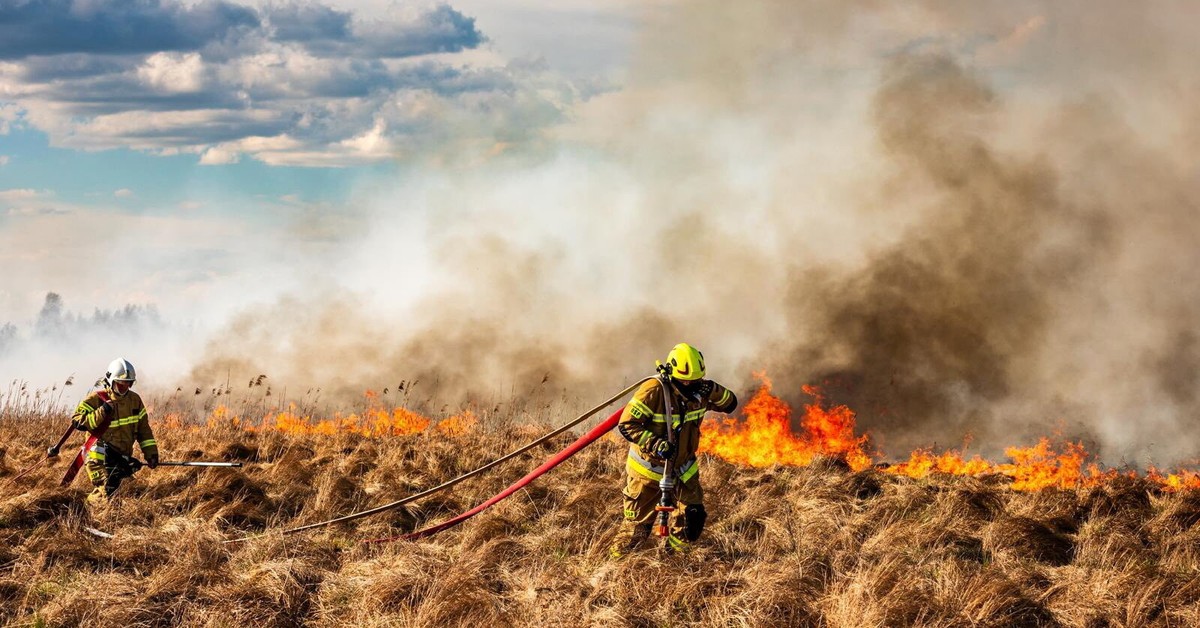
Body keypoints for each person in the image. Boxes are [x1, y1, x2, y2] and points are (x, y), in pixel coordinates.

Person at [610, 343, 738, 557]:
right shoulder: (655, 390)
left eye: (696, 380)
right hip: (647, 472)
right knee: (637, 531)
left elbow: (730, 404)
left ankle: (676, 563)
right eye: (687, 381)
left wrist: (713, 389)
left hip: (683, 470)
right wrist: (656, 444)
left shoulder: (701, 392)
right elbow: (627, 424)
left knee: (691, 521)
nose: (692, 386)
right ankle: (614, 571)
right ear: (673, 374)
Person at [72, 358, 158, 505]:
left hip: (121, 457)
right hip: (98, 458)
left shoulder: (134, 400)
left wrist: (151, 453)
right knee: (108, 491)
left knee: (126, 490)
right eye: (121, 383)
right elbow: (77, 421)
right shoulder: (97, 399)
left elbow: (144, 430)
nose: (125, 387)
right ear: (111, 381)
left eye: (128, 383)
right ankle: (90, 513)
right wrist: (102, 411)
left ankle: (89, 505)